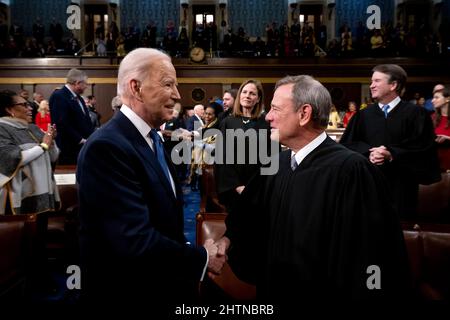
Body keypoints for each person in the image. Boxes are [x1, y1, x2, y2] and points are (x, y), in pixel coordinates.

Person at [215, 75, 411, 303]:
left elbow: (371, 255)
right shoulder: (276, 165)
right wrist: (227, 241)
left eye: (275, 109)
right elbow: (248, 215)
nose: (268, 117)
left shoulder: (352, 172)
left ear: (304, 114)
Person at [76, 48, 224, 308]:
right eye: (168, 84)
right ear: (136, 88)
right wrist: (201, 258)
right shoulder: (107, 147)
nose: (177, 94)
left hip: (161, 288)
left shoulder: (152, 138)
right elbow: (134, 241)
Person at [341, 64, 441, 219]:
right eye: (371, 81)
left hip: (402, 187)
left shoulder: (416, 114)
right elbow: (348, 144)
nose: (372, 85)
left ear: (393, 85)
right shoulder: (363, 115)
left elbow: (423, 147)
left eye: (377, 81)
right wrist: (370, 152)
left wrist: (391, 153)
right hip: (368, 186)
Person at [215, 79, 274, 215]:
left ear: (258, 99)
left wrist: (257, 186)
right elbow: (222, 157)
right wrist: (236, 186)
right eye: (244, 92)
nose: (247, 96)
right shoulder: (227, 122)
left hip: (260, 188)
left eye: (252, 93)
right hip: (234, 188)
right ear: (239, 95)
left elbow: (271, 156)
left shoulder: (266, 123)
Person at [0, 89, 60, 215]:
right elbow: (11, 157)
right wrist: (43, 146)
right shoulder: (2, 128)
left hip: (44, 189)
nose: (30, 108)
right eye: (24, 105)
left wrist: (52, 142)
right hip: (20, 193)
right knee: (23, 232)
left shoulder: (33, 128)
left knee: (41, 231)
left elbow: (52, 158)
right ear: (9, 110)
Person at [49, 68, 94, 164]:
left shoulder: (80, 98)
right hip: (69, 149)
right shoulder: (59, 96)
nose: (86, 87)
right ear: (77, 83)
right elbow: (61, 123)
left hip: (83, 146)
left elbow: (85, 120)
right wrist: (80, 140)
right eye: (85, 84)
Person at [432, 87, 450, 171]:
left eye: (436, 97)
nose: (432, 100)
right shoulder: (432, 118)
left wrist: (448, 138)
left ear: (447, 99)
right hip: (436, 165)